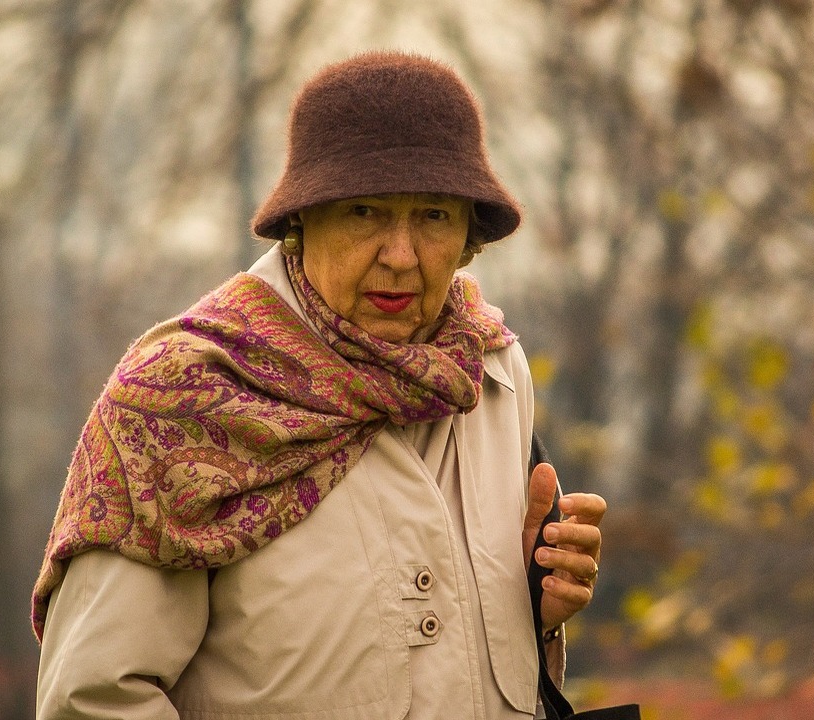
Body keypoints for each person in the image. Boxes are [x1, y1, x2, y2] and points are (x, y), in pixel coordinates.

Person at [32, 51, 606, 719]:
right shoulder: (178, 402)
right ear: (302, 223)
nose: (400, 254)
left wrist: (533, 607)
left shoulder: (492, 373)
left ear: (468, 236)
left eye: (433, 216)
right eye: (364, 212)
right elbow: (92, 700)